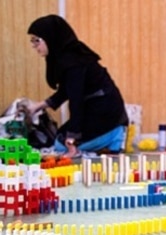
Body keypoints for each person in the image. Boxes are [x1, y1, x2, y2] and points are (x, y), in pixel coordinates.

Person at [25, 14, 128, 158]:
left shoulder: (73, 62)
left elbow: (76, 100)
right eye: (32, 41)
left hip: (107, 114)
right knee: (60, 137)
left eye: (37, 41)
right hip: (98, 110)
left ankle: (113, 136)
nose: (34, 46)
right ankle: (109, 139)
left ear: (50, 38)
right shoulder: (68, 57)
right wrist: (39, 106)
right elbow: (65, 91)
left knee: (61, 144)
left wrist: (72, 140)